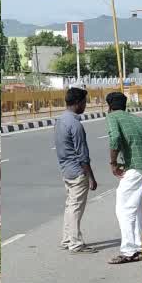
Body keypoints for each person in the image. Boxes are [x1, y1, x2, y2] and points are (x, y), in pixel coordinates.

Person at [105, 91, 142, 264]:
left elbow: (115, 139)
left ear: (109, 106)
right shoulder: (138, 119)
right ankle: (141, 247)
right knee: (139, 208)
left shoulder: (113, 117)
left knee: (124, 208)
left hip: (134, 167)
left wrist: (113, 163)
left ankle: (128, 250)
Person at [54, 87, 98, 253]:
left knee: (70, 206)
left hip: (66, 170)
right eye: (85, 102)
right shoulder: (75, 125)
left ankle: (66, 239)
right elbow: (83, 155)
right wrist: (91, 177)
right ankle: (75, 243)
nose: (85, 106)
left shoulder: (60, 121)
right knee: (75, 208)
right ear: (78, 103)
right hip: (78, 172)